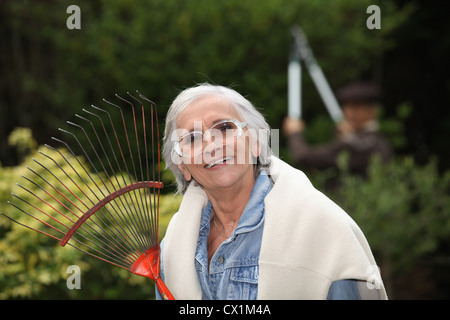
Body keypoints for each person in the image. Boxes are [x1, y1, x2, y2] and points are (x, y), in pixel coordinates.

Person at [156, 83, 387, 300]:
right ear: (182, 166)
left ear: (257, 142)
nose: (212, 146)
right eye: (192, 138)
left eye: (225, 127)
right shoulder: (174, 247)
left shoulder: (323, 228)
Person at [283, 82, 392, 177]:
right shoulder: (377, 140)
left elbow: (303, 156)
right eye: (346, 107)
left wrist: (295, 133)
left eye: (355, 107)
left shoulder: (356, 145)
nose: (349, 113)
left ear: (372, 110)